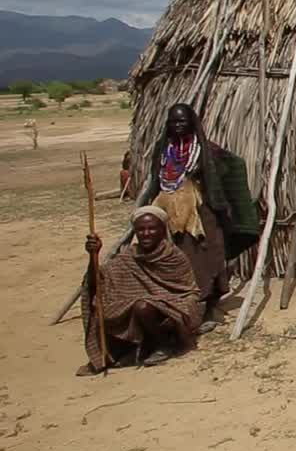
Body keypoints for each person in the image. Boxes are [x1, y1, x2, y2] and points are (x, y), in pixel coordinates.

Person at [144, 103, 259, 333]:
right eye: (173, 121)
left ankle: (209, 307)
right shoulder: (164, 150)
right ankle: (184, 305)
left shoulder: (206, 151)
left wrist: (215, 197)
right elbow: (156, 180)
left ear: (192, 123)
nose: (178, 126)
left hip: (203, 215)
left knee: (209, 258)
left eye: (182, 121)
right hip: (173, 217)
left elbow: (233, 165)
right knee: (181, 260)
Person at [79, 207, 202, 375]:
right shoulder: (128, 256)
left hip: (171, 308)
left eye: (152, 228)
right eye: (141, 229)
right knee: (106, 305)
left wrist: (163, 302)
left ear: (162, 230)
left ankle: (163, 344)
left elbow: (188, 291)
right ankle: (136, 345)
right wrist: (93, 255)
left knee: (143, 307)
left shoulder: (174, 256)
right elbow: (99, 282)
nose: (146, 233)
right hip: (139, 307)